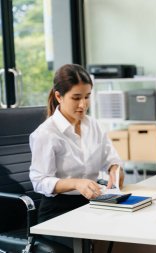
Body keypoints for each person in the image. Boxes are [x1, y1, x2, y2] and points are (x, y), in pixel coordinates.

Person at [29, 64, 124, 247]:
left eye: (87, 97)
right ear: (59, 96)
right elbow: (39, 181)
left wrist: (115, 170)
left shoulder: (93, 125)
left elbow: (111, 159)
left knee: (126, 233)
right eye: (76, 98)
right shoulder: (46, 134)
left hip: (92, 205)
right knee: (94, 243)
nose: (83, 105)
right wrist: (75, 183)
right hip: (58, 213)